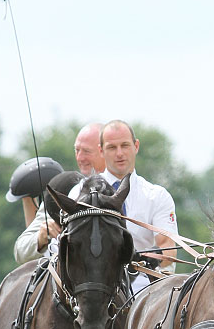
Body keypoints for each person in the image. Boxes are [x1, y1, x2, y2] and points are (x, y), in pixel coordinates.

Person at [66, 119, 179, 292]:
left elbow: (168, 249)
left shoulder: (157, 196)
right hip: (94, 290)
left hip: (144, 289)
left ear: (136, 146)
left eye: (125, 146)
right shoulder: (79, 193)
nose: (119, 153)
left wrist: (146, 258)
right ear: (101, 150)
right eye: (112, 147)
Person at [13, 123, 105, 264]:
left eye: (86, 151)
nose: (80, 158)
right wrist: (41, 237)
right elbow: (20, 251)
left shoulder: (131, 192)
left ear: (104, 150)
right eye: (77, 150)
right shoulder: (64, 190)